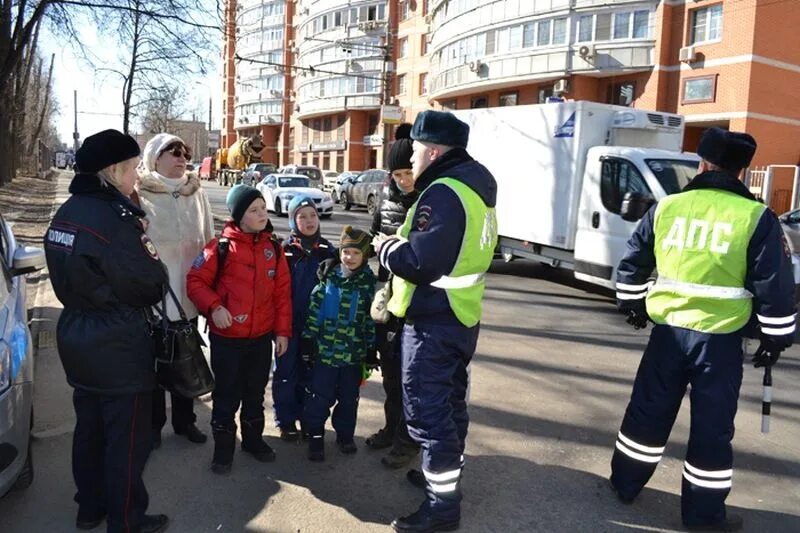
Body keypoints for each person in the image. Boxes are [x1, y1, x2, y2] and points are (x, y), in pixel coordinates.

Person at [610, 127, 796, 532]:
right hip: (719, 341)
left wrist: (633, 303)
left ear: (702, 164)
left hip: (668, 334)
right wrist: (775, 337)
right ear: (742, 172)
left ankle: (625, 484)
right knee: (712, 428)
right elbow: (775, 286)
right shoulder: (755, 217)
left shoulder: (668, 207)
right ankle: (704, 516)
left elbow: (633, 261)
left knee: (647, 411)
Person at [372, 111, 498, 533]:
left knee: (428, 414)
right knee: (449, 405)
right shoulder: (475, 190)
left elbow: (421, 261)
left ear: (432, 150)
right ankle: (440, 478)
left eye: (416, 150)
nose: (413, 158)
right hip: (460, 316)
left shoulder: (443, 193)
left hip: (433, 322)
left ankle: (441, 508)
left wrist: (387, 247)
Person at [44, 129, 170, 533]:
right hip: (118, 344)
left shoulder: (67, 211)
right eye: (133, 168)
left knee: (90, 430)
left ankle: (90, 507)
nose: (136, 176)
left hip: (79, 339)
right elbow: (150, 283)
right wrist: (143, 241)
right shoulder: (116, 222)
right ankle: (127, 518)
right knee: (127, 440)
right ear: (113, 170)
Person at [186, 185, 291, 474]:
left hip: (260, 339)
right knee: (227, 395)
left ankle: (253, 440)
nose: (262, 214)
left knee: (255, 392)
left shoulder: (274, 248)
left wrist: (282, 332)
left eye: (263, 208)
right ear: (239, 216)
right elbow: (195, 282)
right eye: (254, 210)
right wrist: (215, 307)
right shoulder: (219, 247)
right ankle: (223, 449)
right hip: (227, 341)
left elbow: (282, 295)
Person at [136, 133, 215, 448]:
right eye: (173, 152)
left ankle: (185, 422)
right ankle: (153, 428)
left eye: (184, 152)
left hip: (189, 292)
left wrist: (210, 282)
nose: (182, 158)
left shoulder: (195, 191)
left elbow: (209, 239)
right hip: (156, 297)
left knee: (186, 360)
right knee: (155, 366)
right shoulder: (140, 193)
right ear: (156, 158)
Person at [366, 123, 421, 470]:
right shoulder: (386, 195)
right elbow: (373, 235)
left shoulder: (430, 198)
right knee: (389, 371)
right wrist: (345, 254)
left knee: (410, 375)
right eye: (397, 173)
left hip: (416, 300)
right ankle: (391, 428)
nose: (403, 180)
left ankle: (408, 441)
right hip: (387, 295)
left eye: (408, 172)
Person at [300, 226, 377, 462]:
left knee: (348, 399)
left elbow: (370, 319)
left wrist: (371, 348)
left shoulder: (367, 285)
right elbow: (315, 311)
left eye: (356, 253)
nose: (350, 257)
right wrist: (308, 340)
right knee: (318, 397)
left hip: (353, 356)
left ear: (364, 256)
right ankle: (315, 435)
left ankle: (344, 435)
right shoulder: (328, 279)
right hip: (326, 353)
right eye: (346, 252)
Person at [272, 195, 337, 440]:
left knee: (313, 376)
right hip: (288, 325)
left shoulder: (328, 252)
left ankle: (309, 419)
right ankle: (286, 420)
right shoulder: (284, 252)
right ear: (292, 221)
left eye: (313, 215)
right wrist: (277, 327)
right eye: (302, 216)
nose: (309, 221)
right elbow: (275, 291)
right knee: (286, 373)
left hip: (317, 328)